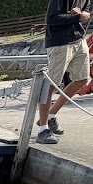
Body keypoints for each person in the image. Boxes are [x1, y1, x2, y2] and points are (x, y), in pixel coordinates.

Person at [36, 0, 92, 143]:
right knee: (50, 84)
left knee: (82, 79)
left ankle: (50, 115)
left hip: (78, 40)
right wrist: (77, 17)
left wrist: (84, 15)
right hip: (59, 43)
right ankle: (43, 130)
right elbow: (51, 19)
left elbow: (85, 13)